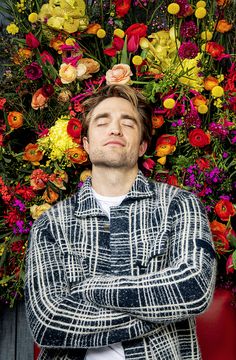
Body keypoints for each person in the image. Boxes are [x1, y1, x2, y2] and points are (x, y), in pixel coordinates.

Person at [25, 84, 216, 360]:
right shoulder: (50, 225)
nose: (115, 129)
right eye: (103, 122)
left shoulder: (180, 205)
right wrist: (161, 312)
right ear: (87, 145)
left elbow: (193, 288)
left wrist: (90, 288)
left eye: (127, 123)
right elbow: (47, 325)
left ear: (142, 146)